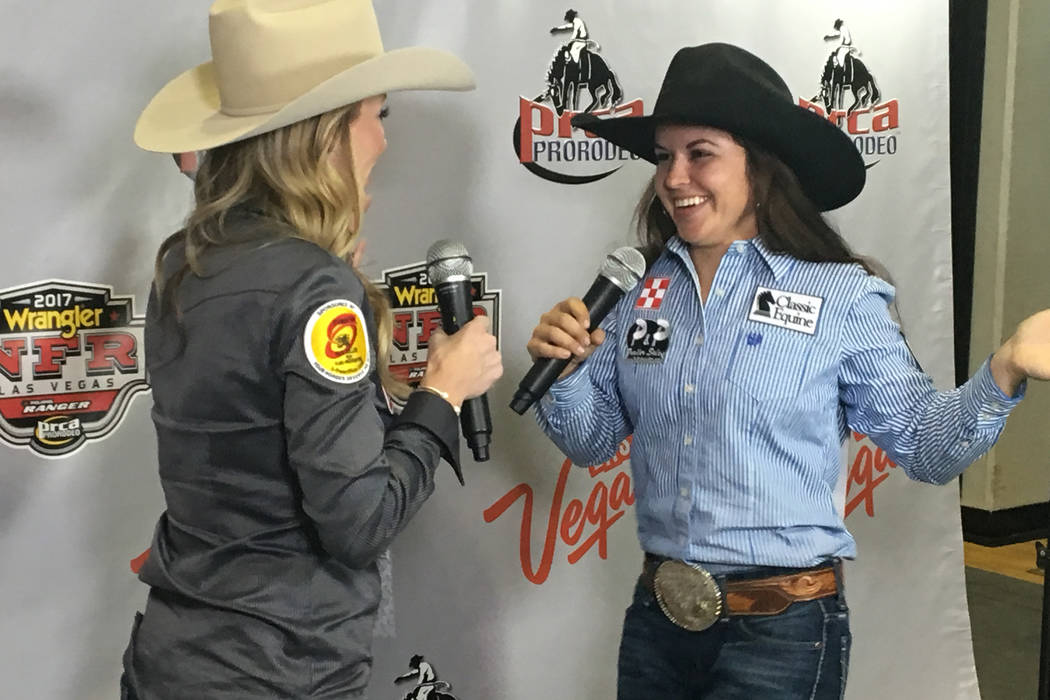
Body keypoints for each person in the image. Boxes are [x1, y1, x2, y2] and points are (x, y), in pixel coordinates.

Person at [525, 42, 1050, 699]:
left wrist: (1004, 369)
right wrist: (565, 372)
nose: (674, 177)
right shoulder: (637, 288)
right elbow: (592, 439)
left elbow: (927, 446)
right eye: (664, 155)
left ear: (762, 170)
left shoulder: (842, 296)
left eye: (701, 153)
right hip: (659, 621)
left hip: (783, 635)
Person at [120, 1, 501, 698]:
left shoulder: (184, 263)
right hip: (277, 674)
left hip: (171, 660)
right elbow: (359, 523)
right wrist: (442, 395)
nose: (383, 144)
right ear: (326, 134)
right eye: (375, 117)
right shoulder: (314, 287)